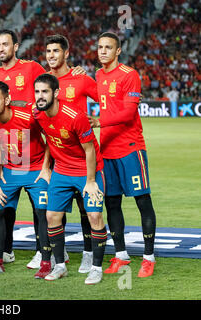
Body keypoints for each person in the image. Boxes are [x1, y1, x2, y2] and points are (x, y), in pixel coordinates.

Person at [88, 32, 156, 278]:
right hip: (107, 151)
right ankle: (121, 255)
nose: (102, 51)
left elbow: (127, 115)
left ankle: (148, 257)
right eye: (100, 47)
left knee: (142, 201)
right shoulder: (97, 75)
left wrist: (99, 121)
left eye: (108, 47)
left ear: (118, 51)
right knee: (112, 203)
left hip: (130, 149)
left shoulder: (130, 75)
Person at [33, 73, 107, 285]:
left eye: (45, 91)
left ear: (56, 93)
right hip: (62, 171)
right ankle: (60, 266)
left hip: (87, 169)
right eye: (37, 91)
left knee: (94, 217)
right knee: (51, 216)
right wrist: (46, 166)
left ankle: (96, 268)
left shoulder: (75, 116)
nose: (40, 96)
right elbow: (49, 139)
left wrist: (91, 181)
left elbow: (90, 150)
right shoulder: (39, 114)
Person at [0, 81, 52, 277]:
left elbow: (50, 136)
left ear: (7, 99)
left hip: (36, 169)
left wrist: (46, 167)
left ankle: (46, 261)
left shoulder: (29, 115)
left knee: (42, 212)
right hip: (12, 170)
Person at [0, 29, 46, 266]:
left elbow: (51, 84)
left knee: (40, 206)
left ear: (16, 46)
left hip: (32, 138)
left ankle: (44, 250)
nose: (1, 48)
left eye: (6, 44)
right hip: (10, 148)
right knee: (5, 206)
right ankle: (6, 250)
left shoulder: (32, 67)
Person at [45, 34, 99, 273]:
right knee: (57, 209)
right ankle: (61, 254)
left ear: (66, 53)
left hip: (83, 154)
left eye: (56, 51)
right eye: (48, 52)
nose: (51, 56)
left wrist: (100, 119)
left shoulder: (81, 79)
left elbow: (106, 101)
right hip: (59, 154)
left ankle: (89, 253)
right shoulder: (44, 82)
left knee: (85, 209)